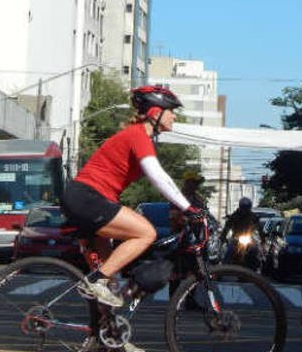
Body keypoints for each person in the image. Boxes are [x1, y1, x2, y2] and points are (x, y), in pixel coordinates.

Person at [61, 85, 206, 316]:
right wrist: (188, 207)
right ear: (156, 113)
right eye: (171, 111)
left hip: (89, 199)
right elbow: (158, 176)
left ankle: (109, 336)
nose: (175, 116)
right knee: (146, 233)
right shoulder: (137, 135)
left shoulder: (140, 136)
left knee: (113, 284)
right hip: (87, 198)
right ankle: (95, 281)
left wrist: (182, 209)